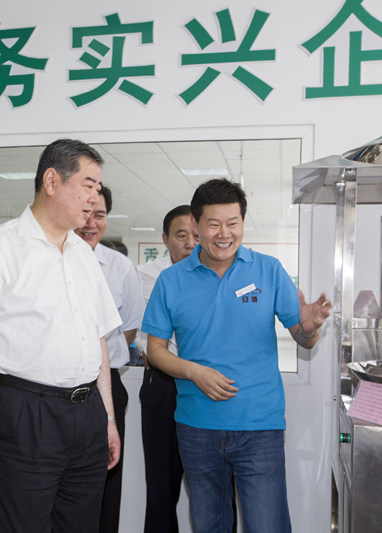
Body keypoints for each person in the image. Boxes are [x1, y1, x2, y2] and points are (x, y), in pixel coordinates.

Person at [0, 138, 122, 533]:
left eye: (98, 189)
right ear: (51, 181)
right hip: (23, 414)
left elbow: (97, 341)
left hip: (86, 414)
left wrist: (108, 419)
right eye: (88, 185)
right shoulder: (0, 248)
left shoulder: (83, 254)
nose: (94, 199)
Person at [142, 178, 331, 533]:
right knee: (209, 527)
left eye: (233, 223)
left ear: (243, 222)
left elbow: (304, 338)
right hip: (197, 427)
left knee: (267, 526)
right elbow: (155, 351)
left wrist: (308, 327)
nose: (224, 233)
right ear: (196, 225)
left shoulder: (269, 270)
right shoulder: (171, 281)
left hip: (259, 426)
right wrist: (194, 372)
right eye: (213, 224)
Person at [74, 184, 145, 533]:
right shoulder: (47, 259)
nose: (91, 223)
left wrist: (100, 356)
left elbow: (129, 326)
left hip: (106, 389)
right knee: (65, 480)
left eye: (99, 215)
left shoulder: (120, 267)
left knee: (106, 476)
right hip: (57, 389)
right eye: (85, 213)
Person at [136, 205, 196, 533]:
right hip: (163, 386)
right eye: (181, 236)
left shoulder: (217, 275)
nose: (190, 244)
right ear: (165, 239)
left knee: (214, 488)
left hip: (205, 387)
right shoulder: (145, 276)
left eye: (196, 235)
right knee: (161, 489)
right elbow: (139, 330)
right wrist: (149, 347)